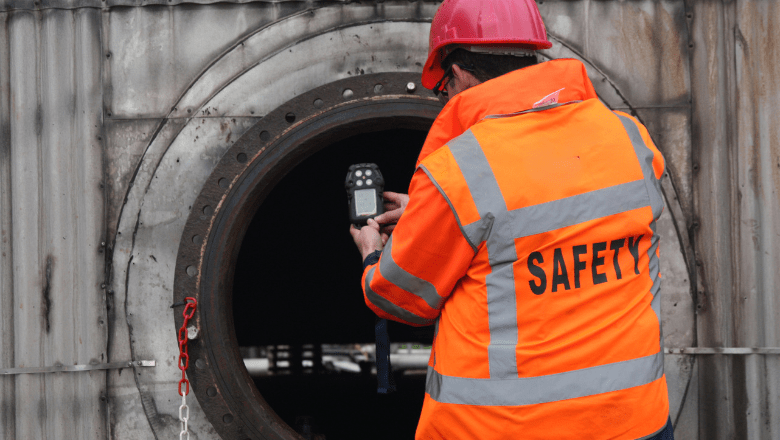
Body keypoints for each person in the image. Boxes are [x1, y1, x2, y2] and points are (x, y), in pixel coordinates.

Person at [349, 0, 674, 438]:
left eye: (443, 85)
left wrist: (372, 253)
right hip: (633, 421)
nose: (445, 96)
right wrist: (447, 217)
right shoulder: (628, 137)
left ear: (461, 73)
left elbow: (403, 298)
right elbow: (560, 211)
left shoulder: (459, 171)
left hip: (507, 428)